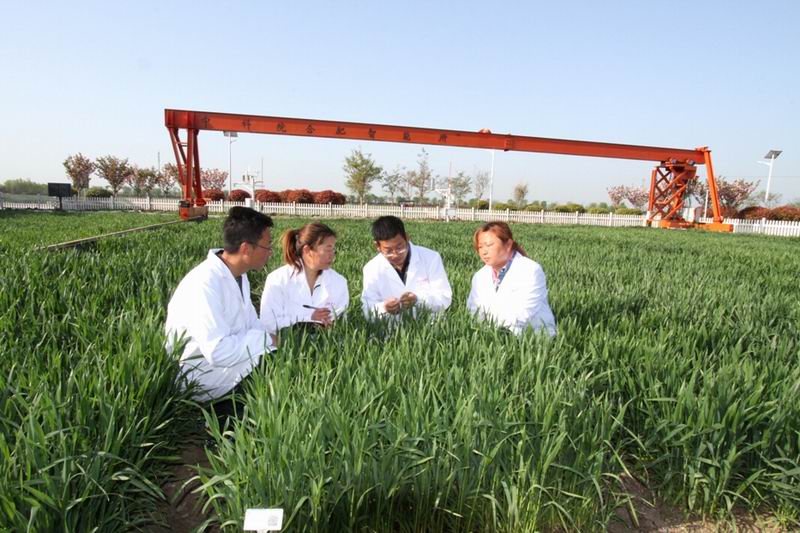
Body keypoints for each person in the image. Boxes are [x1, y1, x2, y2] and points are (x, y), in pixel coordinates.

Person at [165, 206, 277, 402]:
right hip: (201, 378)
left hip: (231, 362)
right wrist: (267, 340)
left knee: (283, 362)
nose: (270, 253)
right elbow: (218, 352)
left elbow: (252, 324)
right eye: (267, 246)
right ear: (246, 248)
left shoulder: (239, 276)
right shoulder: (204, 283)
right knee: (277, 373)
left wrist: (268, 340)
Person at [467, 221, 557, 336]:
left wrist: (496, 331)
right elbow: (474, 310)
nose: (484, 252)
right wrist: (481, 333)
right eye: (480, 247)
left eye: (489, 245)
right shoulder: (480, 276)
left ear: (508, 244)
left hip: (532, 336)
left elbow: (524, 312)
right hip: (491, 336)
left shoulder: (531, 270)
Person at [260, 222, 349, 334]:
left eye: (333, 249)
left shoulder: (339, 282)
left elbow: (341, 322)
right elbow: (268, 323)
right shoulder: (277, 279)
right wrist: (308, 319)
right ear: (307, 250)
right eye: (328, 249)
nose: (332, 255)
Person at [361, 215, 452, 319]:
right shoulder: (371, 269)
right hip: (391, 326)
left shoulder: (431, 258)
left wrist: (418, 300)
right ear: (377, 246)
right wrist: (384, 308)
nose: (395, 254)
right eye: (388, 251)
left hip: (430, 322)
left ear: (407, 237)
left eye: (400, 247)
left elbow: (445, 298)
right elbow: (367, 309)